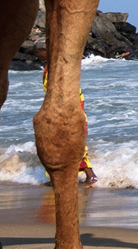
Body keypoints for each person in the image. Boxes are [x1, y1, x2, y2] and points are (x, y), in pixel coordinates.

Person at [34, 40, 98, 185]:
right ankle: (58, 177)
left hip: (69, 106)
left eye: (36, 52)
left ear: (44, 50)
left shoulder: (58, 65)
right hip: (59, 106)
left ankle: (90, 175)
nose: (35, 55)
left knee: (74, 140)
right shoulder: (54, 64)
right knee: (58, 141)